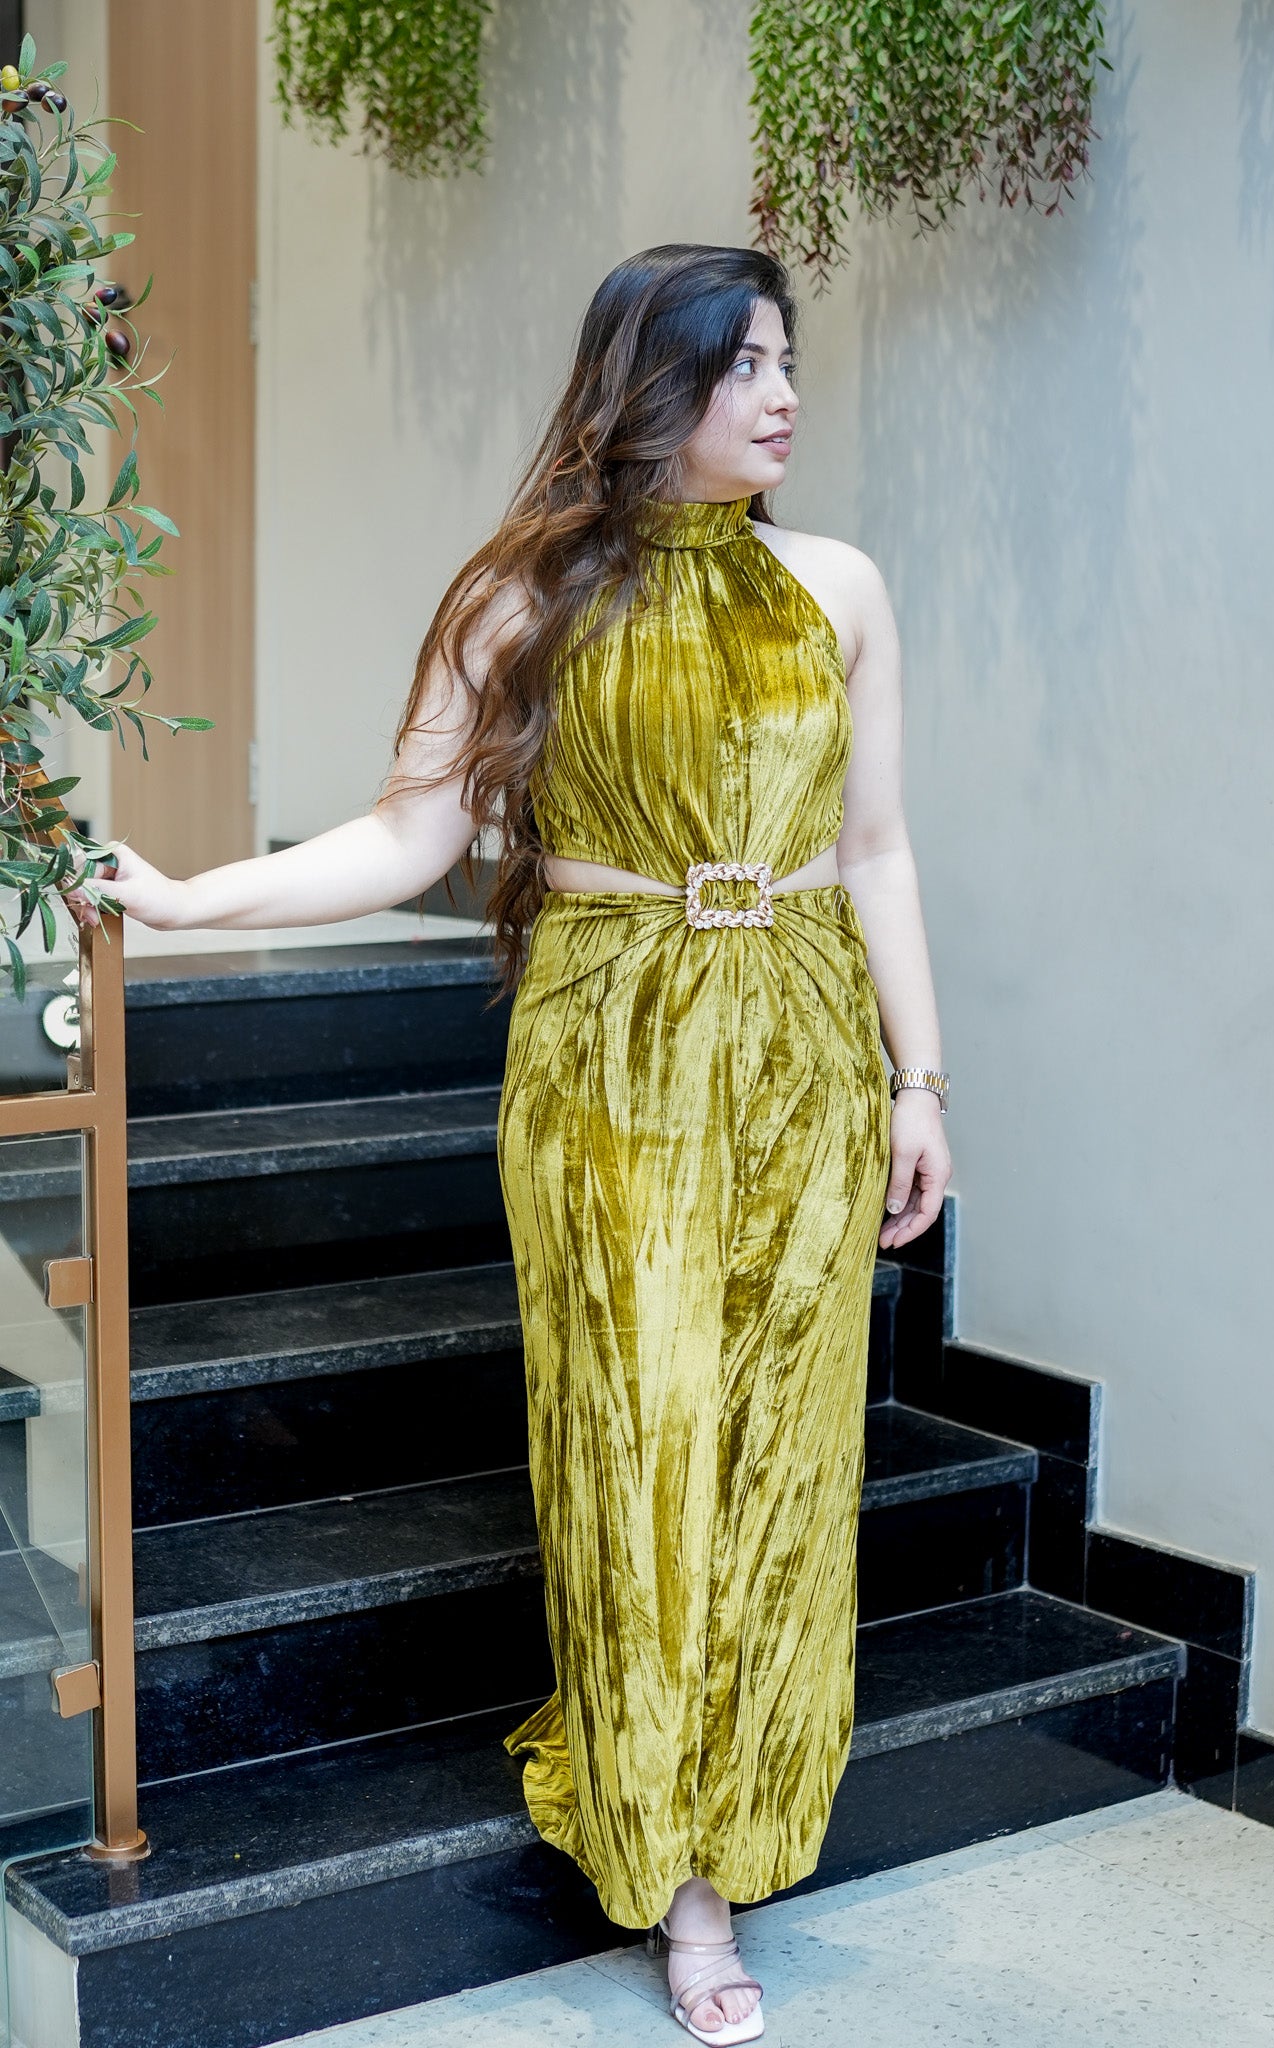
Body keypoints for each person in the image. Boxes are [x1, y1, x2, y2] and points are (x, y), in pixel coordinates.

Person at [66, 242, 950, 2044]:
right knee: (639, 1447)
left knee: (778, 1460)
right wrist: (191, 902)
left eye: (786, 360)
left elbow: (873, 849)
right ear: (650, 383)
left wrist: (917, 1081)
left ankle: (739, 1822)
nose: (782, 395)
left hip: (801, 1049)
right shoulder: (521, 593)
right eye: (742, 364)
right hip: (609, 1052)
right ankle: (671, 1872)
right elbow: (406, 837)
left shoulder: (839, 587)